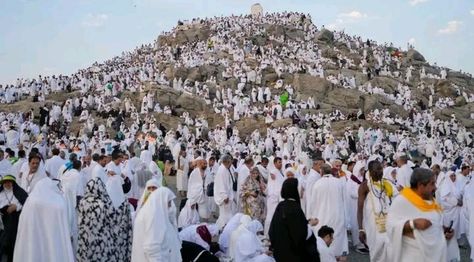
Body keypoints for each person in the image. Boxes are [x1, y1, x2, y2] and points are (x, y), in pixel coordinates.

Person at [386, 168, 451, 261]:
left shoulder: (431, 200)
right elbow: (390, 226)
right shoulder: (402, 201)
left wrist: (444, 230)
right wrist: (413, 224)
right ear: (420, 185)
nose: (435, 187)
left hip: (435, 255)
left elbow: (434, 222)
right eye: (432, 184)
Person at [13, 177, 75, 262]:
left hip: (33, 239)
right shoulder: (59, 202)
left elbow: (23, 222)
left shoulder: (31, 201)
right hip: (54, 239)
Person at [269, 178, 320, 262]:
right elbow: (300, 234)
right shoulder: (295, 208)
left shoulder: (280, 206)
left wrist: (306, 222)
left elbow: (273, 230)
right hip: (293, 255)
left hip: (280, 253)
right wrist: (309, 225)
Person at [357, 160, 396, 262]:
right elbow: (359, 209)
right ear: (370, 171)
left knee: (391, 251)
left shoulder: (387, 184)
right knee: (376, 252)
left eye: (381, 169)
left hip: (388, 222)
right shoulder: (365, 186)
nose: (380, 172)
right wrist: (360, 229)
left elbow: (398, 199)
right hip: (372, 225)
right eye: (376, 170)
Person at [308, 164, 348, 259]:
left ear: (321, 172)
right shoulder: (339, 183)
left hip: (322, 216)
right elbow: (345, 200)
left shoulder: (317, 184)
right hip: (338, 215)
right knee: (337, 239)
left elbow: (313, 203)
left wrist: (311, 217)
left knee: (324, 240)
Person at [131, 187, 181, 262]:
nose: (170, 206)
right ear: (161, 201)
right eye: (169, 203)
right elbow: (152, 248)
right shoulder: (152, 216)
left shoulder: (155, 212)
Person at [76, 177, 116, 262]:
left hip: (86, 239)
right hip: (102, 240)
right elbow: (112, 220)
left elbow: (80, 221)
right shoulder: (106, 201)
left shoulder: (83, 202)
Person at [0, 175, 27, 262]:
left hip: (15, 221)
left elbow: (26, 203)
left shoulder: (19, 192)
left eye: (9, 182)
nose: (7, 184)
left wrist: (16, 206)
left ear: (13, 183)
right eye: (5, 182)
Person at [214, 154, 237, 229]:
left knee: (225, 215)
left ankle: (223, 228)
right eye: (230, 162)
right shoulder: (222, 170)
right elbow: (221, 185)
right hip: (224, 198)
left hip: (227, 196)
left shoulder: (225, 169)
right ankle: (222, 228)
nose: (231, 163)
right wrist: (225, 196)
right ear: (227, 162)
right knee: (225, 215)